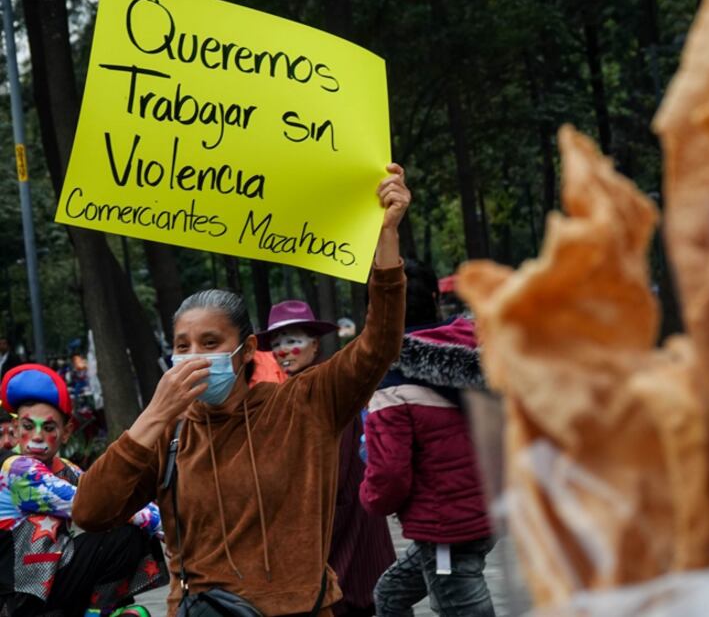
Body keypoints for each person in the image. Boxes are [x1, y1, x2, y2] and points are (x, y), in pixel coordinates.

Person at [72, 165, 410, 616]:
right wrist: (154, 415)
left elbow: (379, 343)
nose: (194, 355)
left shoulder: (303, 403)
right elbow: (89, 512)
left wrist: (386, 236)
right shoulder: (170, 435)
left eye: (211, 343)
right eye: (183, 346)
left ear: (247, 349)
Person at [361, 260, 496, 617]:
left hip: (446, 529)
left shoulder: (390, 380)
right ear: (436, 298)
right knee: (389, 594)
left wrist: (370, 499)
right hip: (485, 511)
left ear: (375, 313)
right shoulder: (476, 350)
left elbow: (389, 473)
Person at [255, 300, 395, 617]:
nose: (283, 351)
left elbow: (332, 466)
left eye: (293, 341)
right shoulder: (289, 392)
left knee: (352, 598)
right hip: (324, 517)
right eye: (276, 344)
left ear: (315, 344)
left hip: (341, 515)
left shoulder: (327, 386)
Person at [0, 364, 166, 615]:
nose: (37, 437)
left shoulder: (66, 468)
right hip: (15, 598)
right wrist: (172, 529)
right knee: (117, 529)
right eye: (27, 426)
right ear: (15, 428)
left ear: (66, 432)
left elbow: (111, 494)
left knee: (124, 533)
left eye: (48, 428)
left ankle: (97, 611)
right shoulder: (16, 470)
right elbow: (99, 502)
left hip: (51, 583)